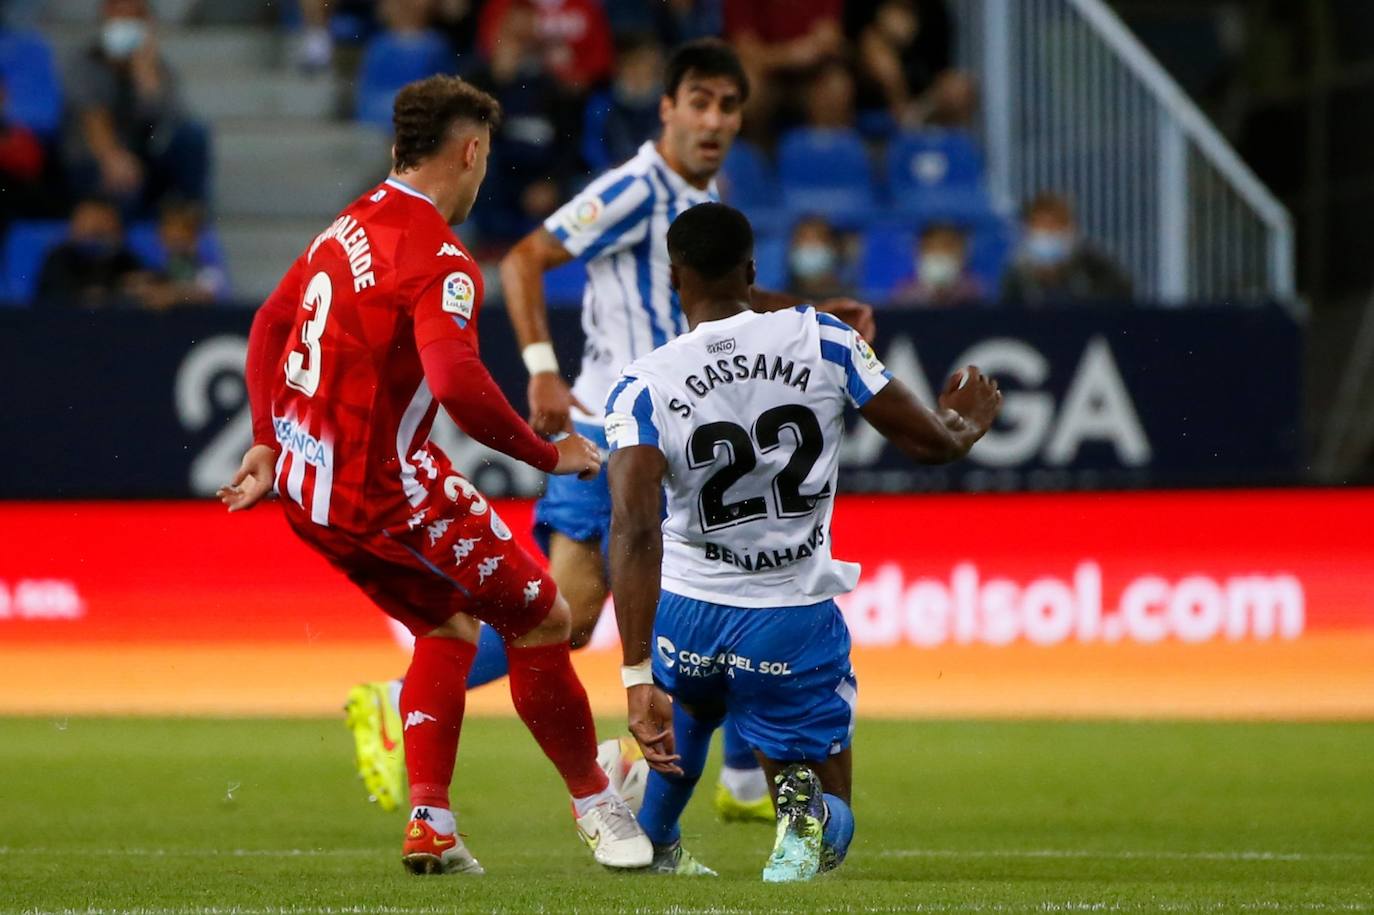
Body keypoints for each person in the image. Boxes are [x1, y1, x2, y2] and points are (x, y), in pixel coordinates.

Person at [343, 38, 875, 827]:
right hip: (606, 432)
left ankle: (738, 778)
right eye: (699, 101)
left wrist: (810, 313)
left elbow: (725, 293)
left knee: (710, 580)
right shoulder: (636, 187)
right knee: (575, 611)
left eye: (729, 106)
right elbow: (525, 258)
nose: (714, 120)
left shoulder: (703, 194)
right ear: (666, 108)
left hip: (668, 435)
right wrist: (540, 368)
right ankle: (397, 699)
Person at [218, 75, 652, 876]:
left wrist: (267, 441)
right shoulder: (444, 260)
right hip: (387, 492)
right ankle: (597, 801)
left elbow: (270, 322)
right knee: (546, 617)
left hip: (308, 493)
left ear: (397, 149)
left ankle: (432, 821)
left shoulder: (349, 222)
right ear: (472, 150)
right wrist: (545, 451)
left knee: (448, 627)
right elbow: (454, 383)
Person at [605, 201, 1002, 879]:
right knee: (832, 804)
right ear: (754, 271)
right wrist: (967, 423)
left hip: (688, 611)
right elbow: (930, 442)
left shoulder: (642, 386)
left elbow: (635, 528)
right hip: (788, 614)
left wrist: (637, 673)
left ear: (677, 279)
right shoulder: (823, 339)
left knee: (689, 712)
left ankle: (655, 839)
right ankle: (802, 809)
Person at [62, 0, 211, 215]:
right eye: (120, 16)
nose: (126, 23)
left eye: (134, 17)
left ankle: (191, 217)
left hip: (142, 160)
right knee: (124, 184)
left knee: (193, 135)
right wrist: (112, 157)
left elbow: (171, 121)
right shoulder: (85, 62)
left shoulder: (158, 68)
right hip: (94, 160)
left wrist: (146, 77)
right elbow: (92, 116)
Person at [1001, 192, 1132, 306]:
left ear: (1069, 229)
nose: (1048, 234)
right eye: (1041, 227)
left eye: (1054, 226)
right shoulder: (1017, 277)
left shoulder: (1094, 269)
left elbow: (1123, 299)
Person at [35, 197, 149, 309]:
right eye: (87, 221)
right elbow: (54, 298)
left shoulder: (125, 258)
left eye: (102, 223)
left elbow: (140, 290)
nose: (94, 228)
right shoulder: (59, 257)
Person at [891, 222, 983, 307]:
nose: (940, 256)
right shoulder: (904, 297)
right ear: (919, 251)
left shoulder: (975, 294)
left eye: (947, 248)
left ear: (962, 253)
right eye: (933, 248)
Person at [786, 215, 853, 300]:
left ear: (835, 248)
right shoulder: (777, 304)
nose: (810, 247)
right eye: (803, 240)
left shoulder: (852, 305)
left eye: (817, 239)